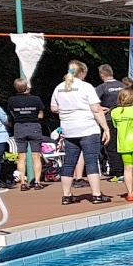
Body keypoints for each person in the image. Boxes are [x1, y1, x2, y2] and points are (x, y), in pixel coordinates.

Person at [50, 60, 111, 204]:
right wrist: (106, 128)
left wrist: (68, 110)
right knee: (91, 161)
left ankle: (67, 195)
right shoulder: (86, 87)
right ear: (82, 72)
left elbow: (53, 108)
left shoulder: (59, 87)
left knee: (69, 163)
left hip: (69, 129)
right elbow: (96, 109)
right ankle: (96, 194)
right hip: (87, 128)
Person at [110, 88, 133, 201]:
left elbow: (115, 126)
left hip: (123, 143)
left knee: (127, 168)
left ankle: (130, 193)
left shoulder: (114, 112)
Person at [7, 78, 45, 190]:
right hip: (34, 126)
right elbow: (41, 115)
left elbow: (13, 114)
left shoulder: (11, 100)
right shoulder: (36, 99)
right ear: (26, 87)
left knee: (21, 157)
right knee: (36, 156)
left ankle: (23, 182)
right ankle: (37, 182)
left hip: (19, 126)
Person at [96, 64, 125, 181]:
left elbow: (93, 103)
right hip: (124, 118)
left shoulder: (102, 87)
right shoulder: (122, 86)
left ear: (102, 74)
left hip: (108, 119)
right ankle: (126, 170)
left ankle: (117, 172)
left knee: (111, 145)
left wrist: (104, 108)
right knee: (123, 144)